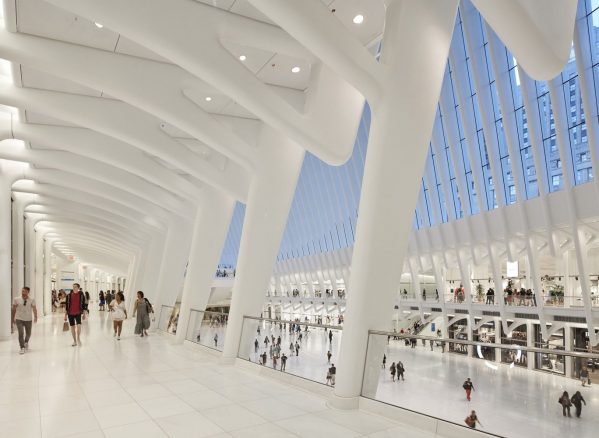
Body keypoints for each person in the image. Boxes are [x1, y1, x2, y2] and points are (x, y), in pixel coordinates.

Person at [11, 287, 38, 354]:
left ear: (28, 292)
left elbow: (34, 308)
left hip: (28, 319)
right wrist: (13, 318)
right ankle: (22, 347)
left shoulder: (32, 299)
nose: (23, 293)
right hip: (19, 318)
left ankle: (26, 342)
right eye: (22, 291)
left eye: (25, 291)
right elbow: (13, 309)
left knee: (28, 333)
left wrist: (35, 316)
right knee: (21, 333)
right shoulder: (16, 299)